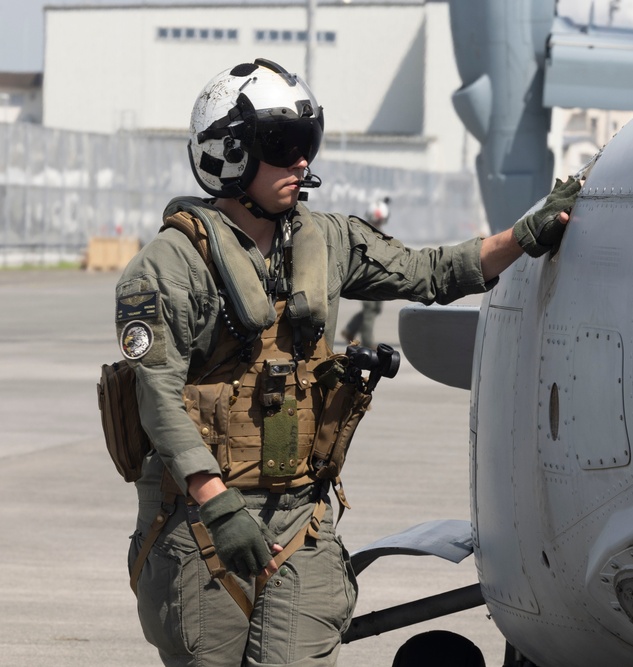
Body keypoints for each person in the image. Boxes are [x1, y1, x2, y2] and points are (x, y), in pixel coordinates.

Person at [113, 57, 581, 667]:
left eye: (306, 143)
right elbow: (157, 397)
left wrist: (523, 235)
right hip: (201, 522)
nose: (301, 161)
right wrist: (215, 500)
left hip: (301, 515)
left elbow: (431, 272)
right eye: (282, 146)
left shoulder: (328, 240)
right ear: (229, 154)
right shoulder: (167, 268)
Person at [340, 196, 391, 347]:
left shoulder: (374, 233)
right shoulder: (367, 234)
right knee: (370, 311)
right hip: (369, 278)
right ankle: (368, 343)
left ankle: (350, 330)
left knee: (375, 309)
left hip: (377, 277)